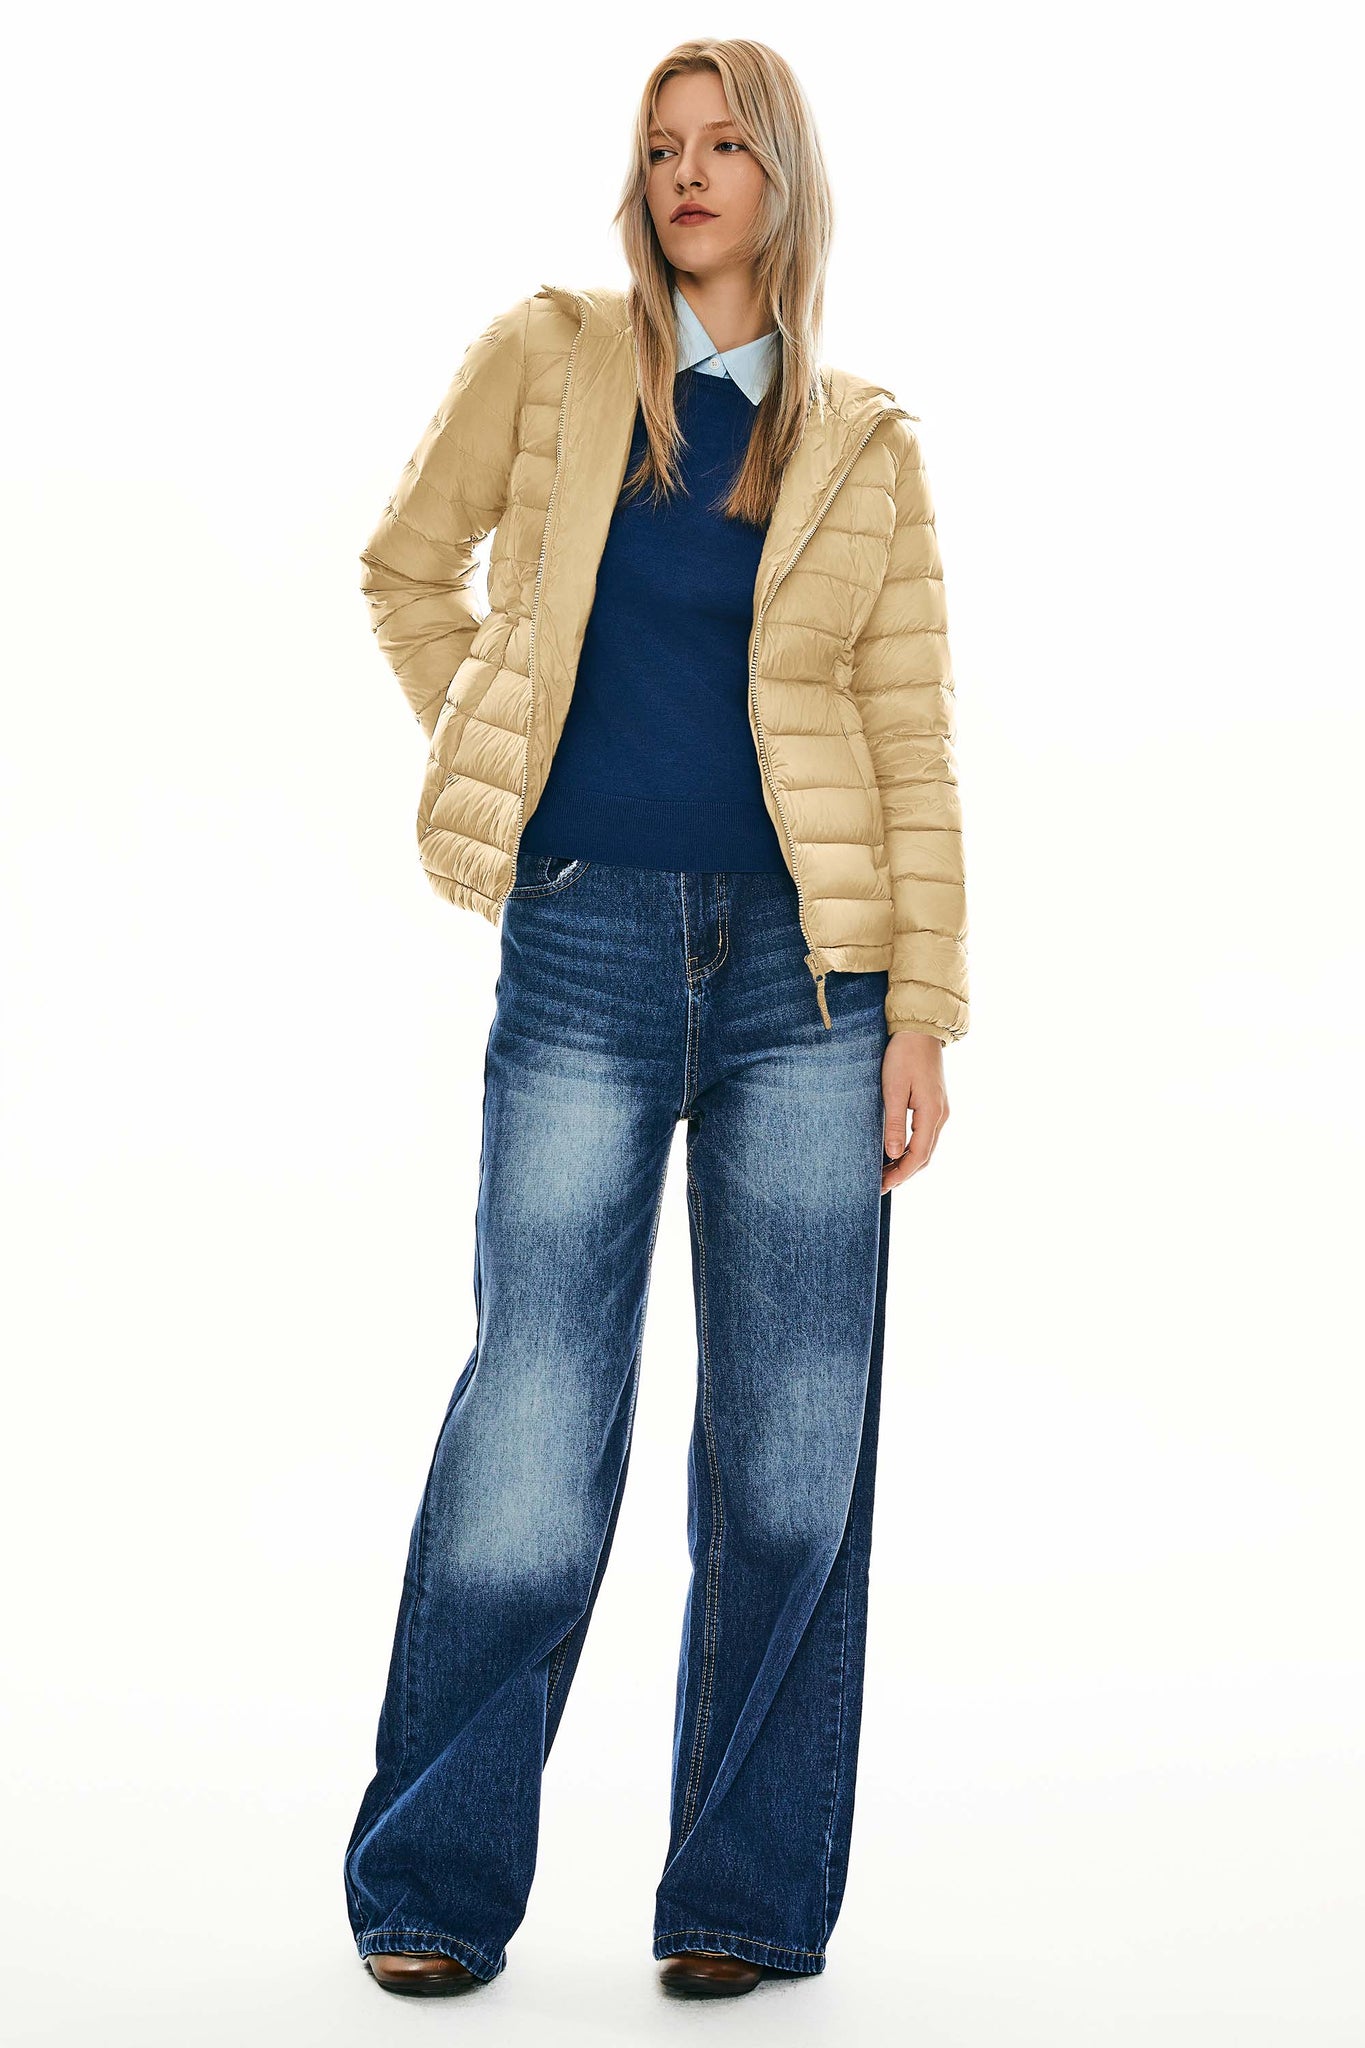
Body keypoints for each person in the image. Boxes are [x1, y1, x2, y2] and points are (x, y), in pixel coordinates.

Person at [343, 36, 969, 2002]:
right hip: (585, 946)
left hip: (809, 982)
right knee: (534, 1428)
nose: (687, 173)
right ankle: (431, 1881)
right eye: (660, 146)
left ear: (782, 179)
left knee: (791, 1456)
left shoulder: (860, 443)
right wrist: (501, 752)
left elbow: (906, 742)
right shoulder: (548, 362)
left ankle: (739, 1899)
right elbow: (405, 570)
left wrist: (921, 1011)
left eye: (723, 145)